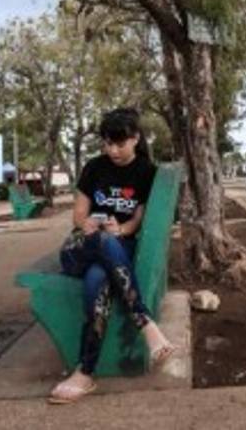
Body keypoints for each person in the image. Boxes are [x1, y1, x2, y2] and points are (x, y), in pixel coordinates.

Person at [48, 107, 175, 405]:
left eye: (119, 143)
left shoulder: (146, 171)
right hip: (81, 247)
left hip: (116, 250)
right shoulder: (94, 167)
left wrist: (123, 229)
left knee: (98, 280)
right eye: (107, 143)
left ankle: (84, 372)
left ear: (135, 139)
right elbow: (78, 215)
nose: (113, 150)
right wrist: (88, 223)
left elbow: (138, 220)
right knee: (101, 243)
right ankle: (144, 321)